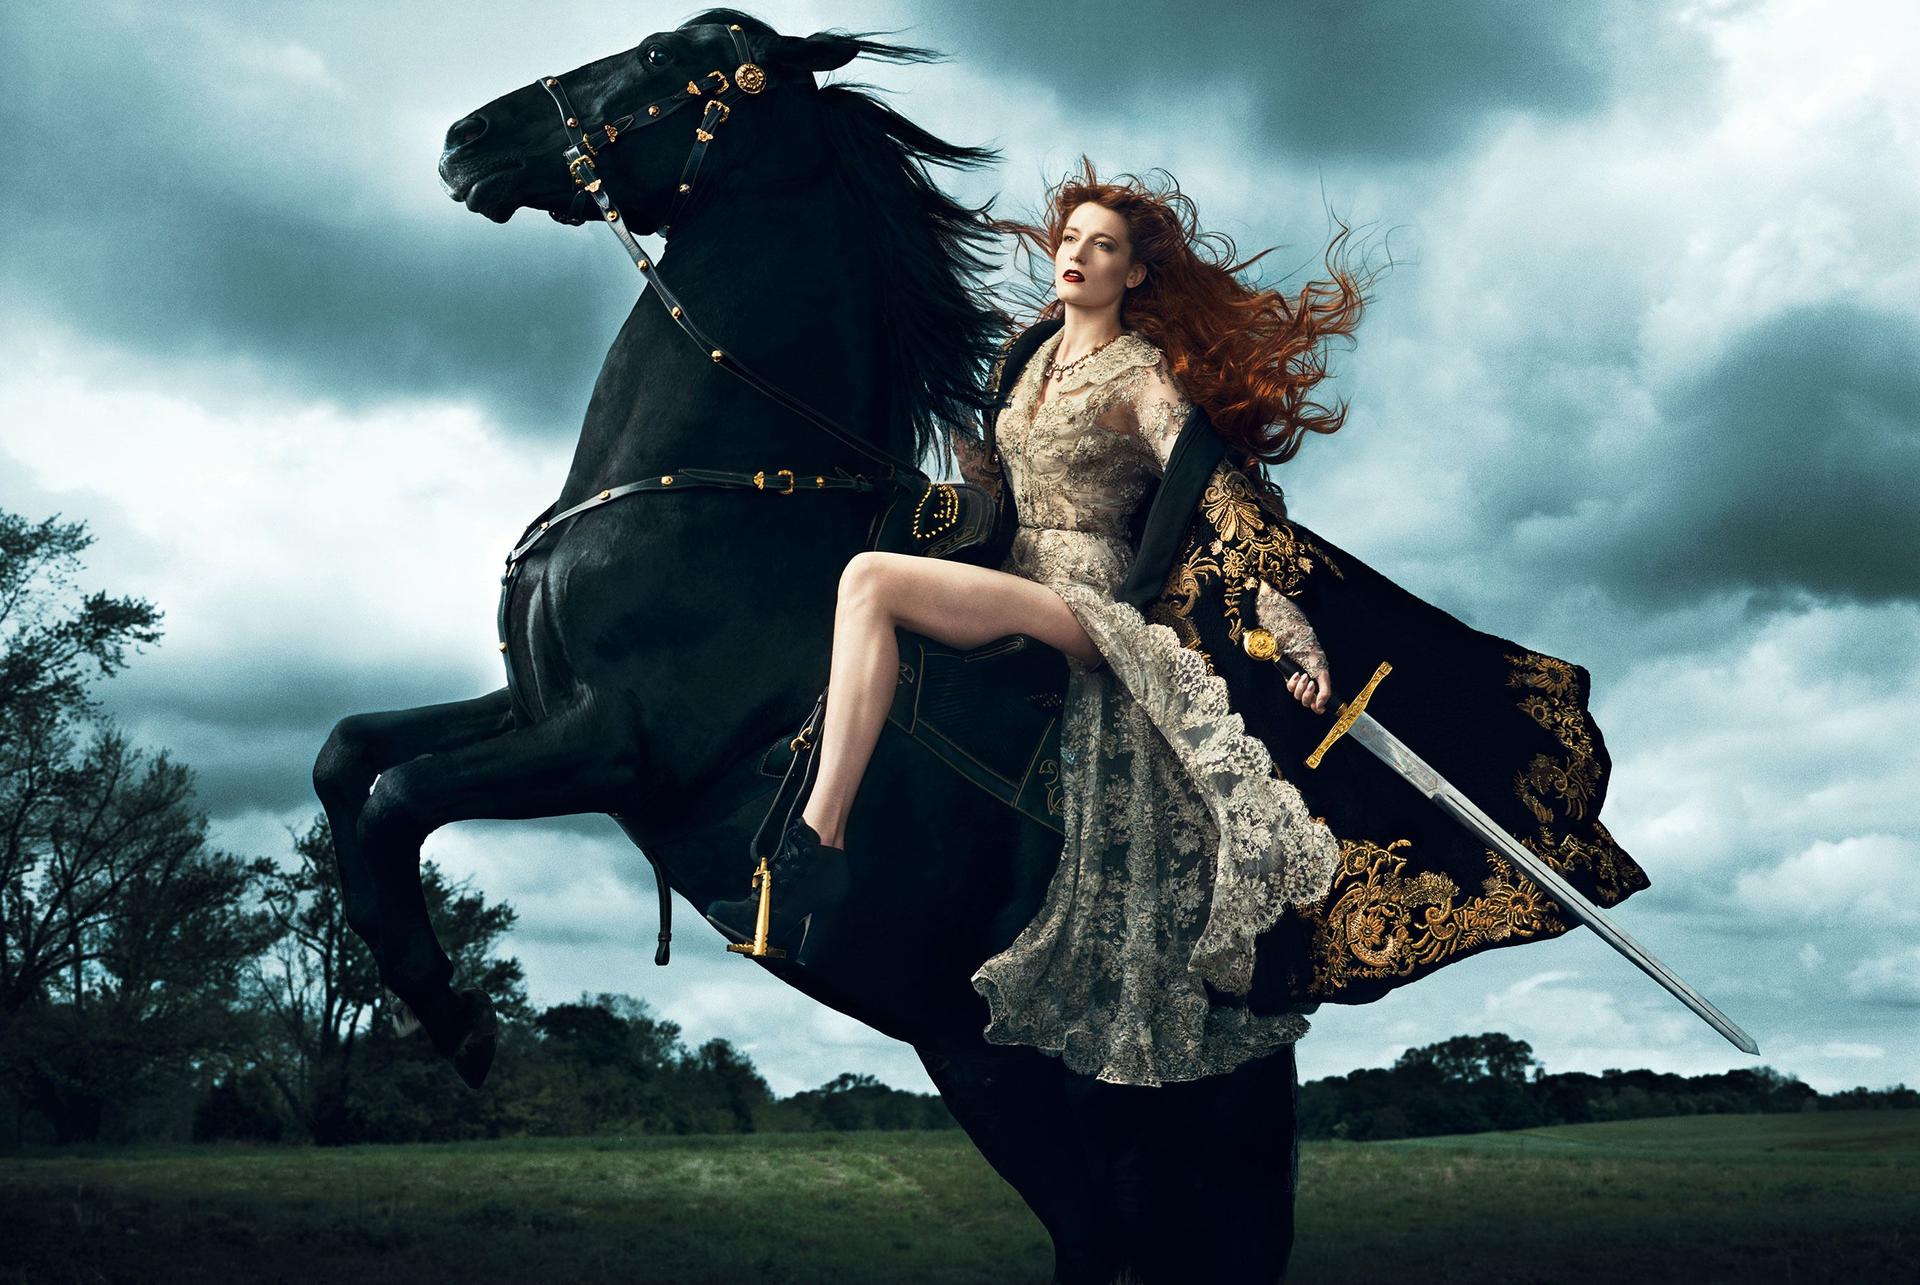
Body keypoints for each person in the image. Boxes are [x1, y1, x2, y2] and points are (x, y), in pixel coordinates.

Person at [709, 158, 1380, 1087]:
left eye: (1102, 246)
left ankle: (814, 850)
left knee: (868, 583)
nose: (1078, 254)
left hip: (1087, 594)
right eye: (1071, 239)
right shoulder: (1024, 357)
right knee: (866, 571)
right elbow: (994, 481)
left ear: (1132, 273)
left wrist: (1288, 625)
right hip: (1012, 570)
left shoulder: (1141, 375)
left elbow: (1210, 494)